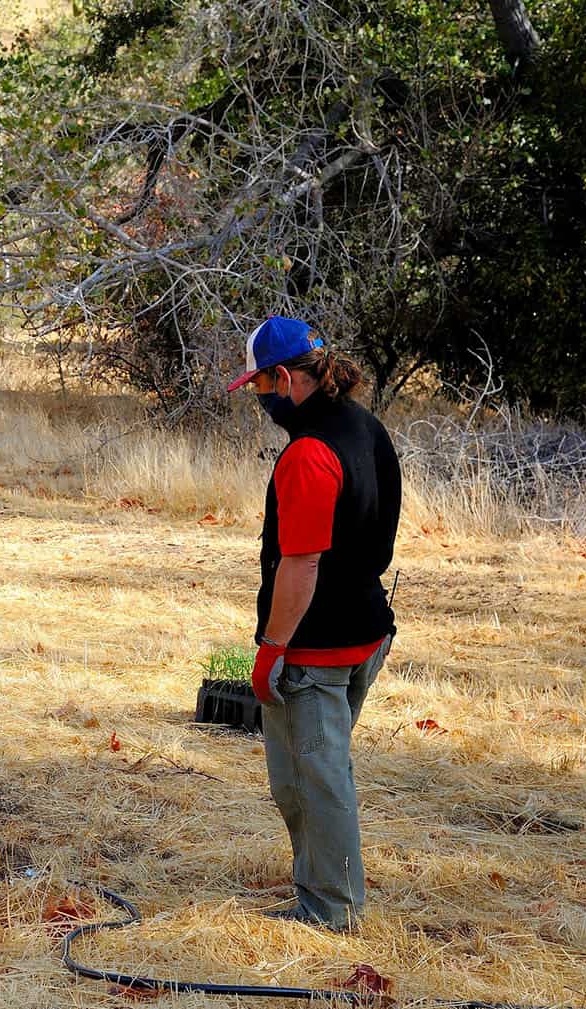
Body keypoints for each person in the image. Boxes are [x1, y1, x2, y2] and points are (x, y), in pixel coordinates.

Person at [227, 315, 401, 931]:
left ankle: (330, 909)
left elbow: (299, 567)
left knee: (314, 780)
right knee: (310, 776)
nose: (260, 400)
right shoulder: (368, 429)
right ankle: (318, 890)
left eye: (259, 387)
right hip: (367, 632)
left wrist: (273, 649)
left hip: (316, 650)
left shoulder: (307, 456)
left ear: (285, 379)